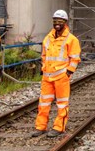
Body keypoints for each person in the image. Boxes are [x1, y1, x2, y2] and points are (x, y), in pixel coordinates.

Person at [32, 10, 81, 138]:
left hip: (61, 77)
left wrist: (69, 72)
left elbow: (75, 58)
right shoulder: (47, 38)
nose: (57, 24)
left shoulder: (71, 39)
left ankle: (59, 127)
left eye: (60, 21)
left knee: (62, 103)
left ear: (65, 22)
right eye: (55, 21)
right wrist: (43, 67)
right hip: (47, 77)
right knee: (43, 103)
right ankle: (40, 127)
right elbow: (43, 55)